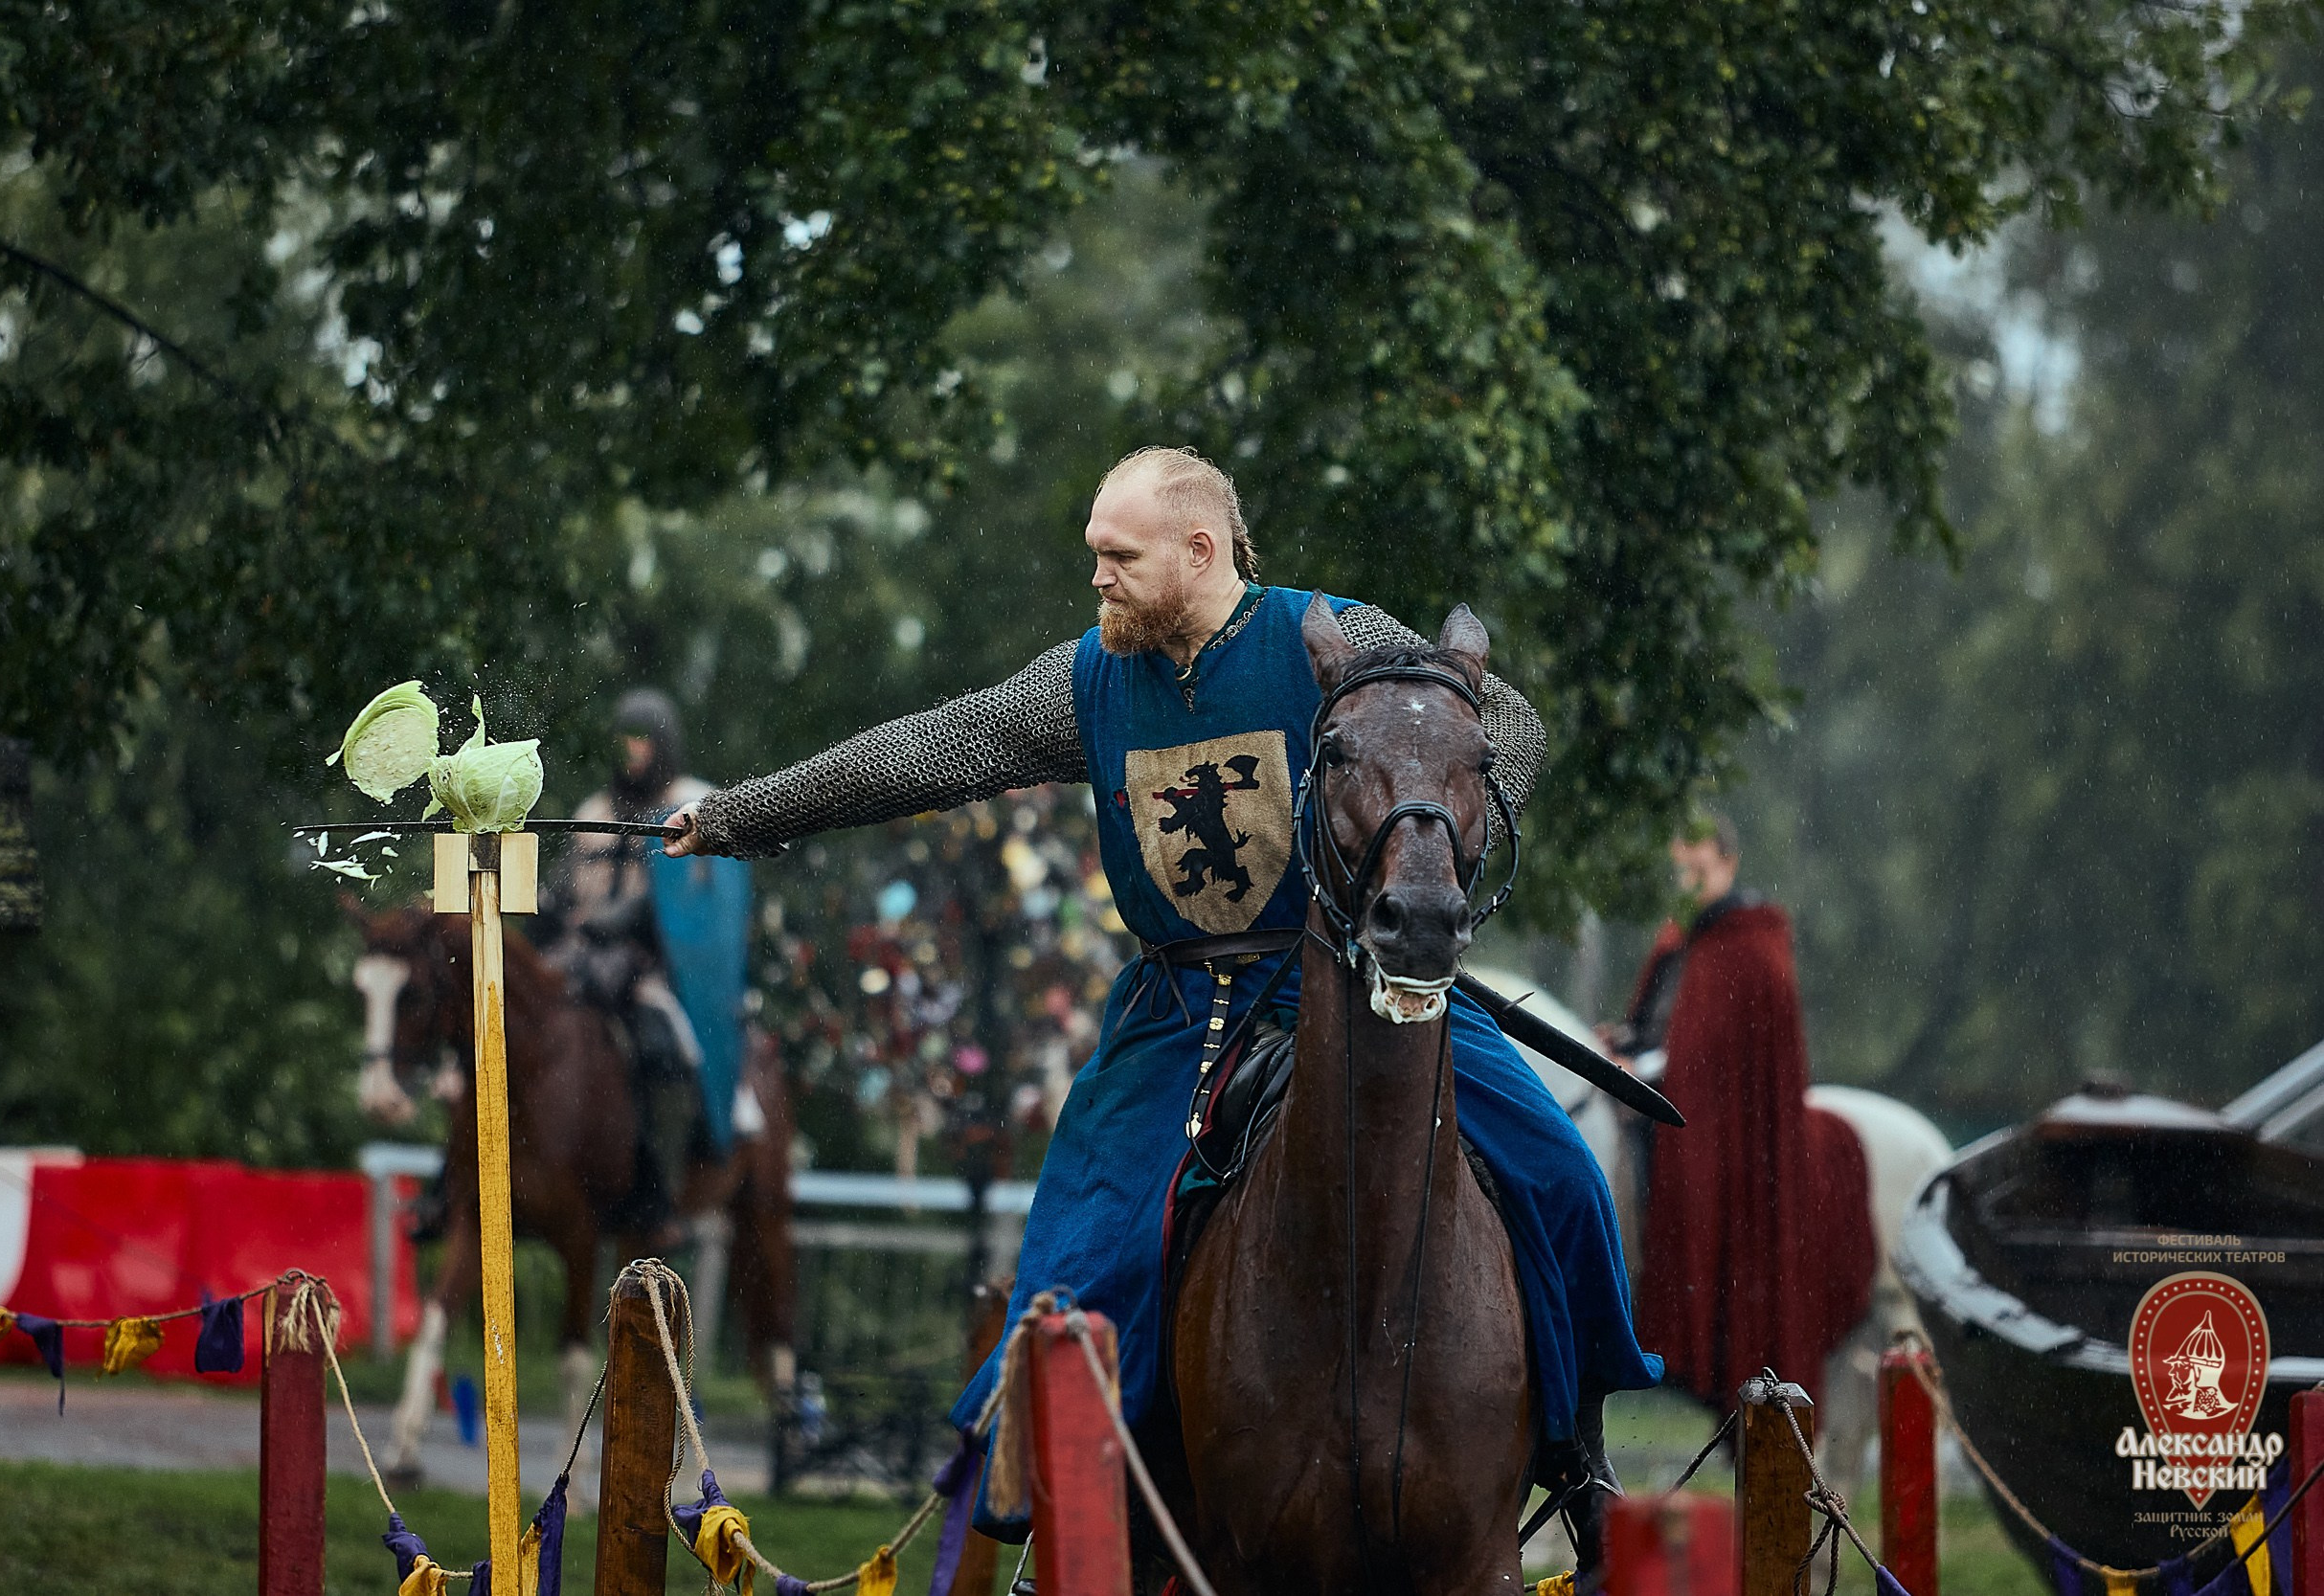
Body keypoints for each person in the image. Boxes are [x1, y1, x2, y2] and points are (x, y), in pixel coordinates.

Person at [665, 445, 1660, 1533]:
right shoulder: (1089, 676)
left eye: (1117, 555)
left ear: (1202, 548)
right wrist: (740, 815)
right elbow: (930, 748)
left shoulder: (1327, 634)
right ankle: (1066, 1514)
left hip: (1346, 983)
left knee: (1562, 1174)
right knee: (1082, 1244)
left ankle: (1577, 1452)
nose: (1097, 576)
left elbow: (1504, 718)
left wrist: (1428, 862)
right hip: (1175, 1017)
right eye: (1095, 554)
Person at [1613, 817, 1873, 1414]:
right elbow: (1658, 1025)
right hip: (1655, 1099)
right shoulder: (1682, 940)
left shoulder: (1751, 947)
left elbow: (1709, 1062)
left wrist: (1647, 1070)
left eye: (1698, 869)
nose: (1688, 882)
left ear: (1729, 863)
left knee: (1694, 1194)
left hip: (1715, 1129)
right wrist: (1623, 1050)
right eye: (1680, 870)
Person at [556, 688, 719, 1234]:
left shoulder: (695, 803)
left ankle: (661, 1193)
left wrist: (627, 920)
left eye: (642, 742)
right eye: (624, 742)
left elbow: (692, 899)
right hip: (579, 958)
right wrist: (550, 902)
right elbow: (566, 888)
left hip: (654, 967)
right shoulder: (593, 811)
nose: (632, 752)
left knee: (664, 1048)